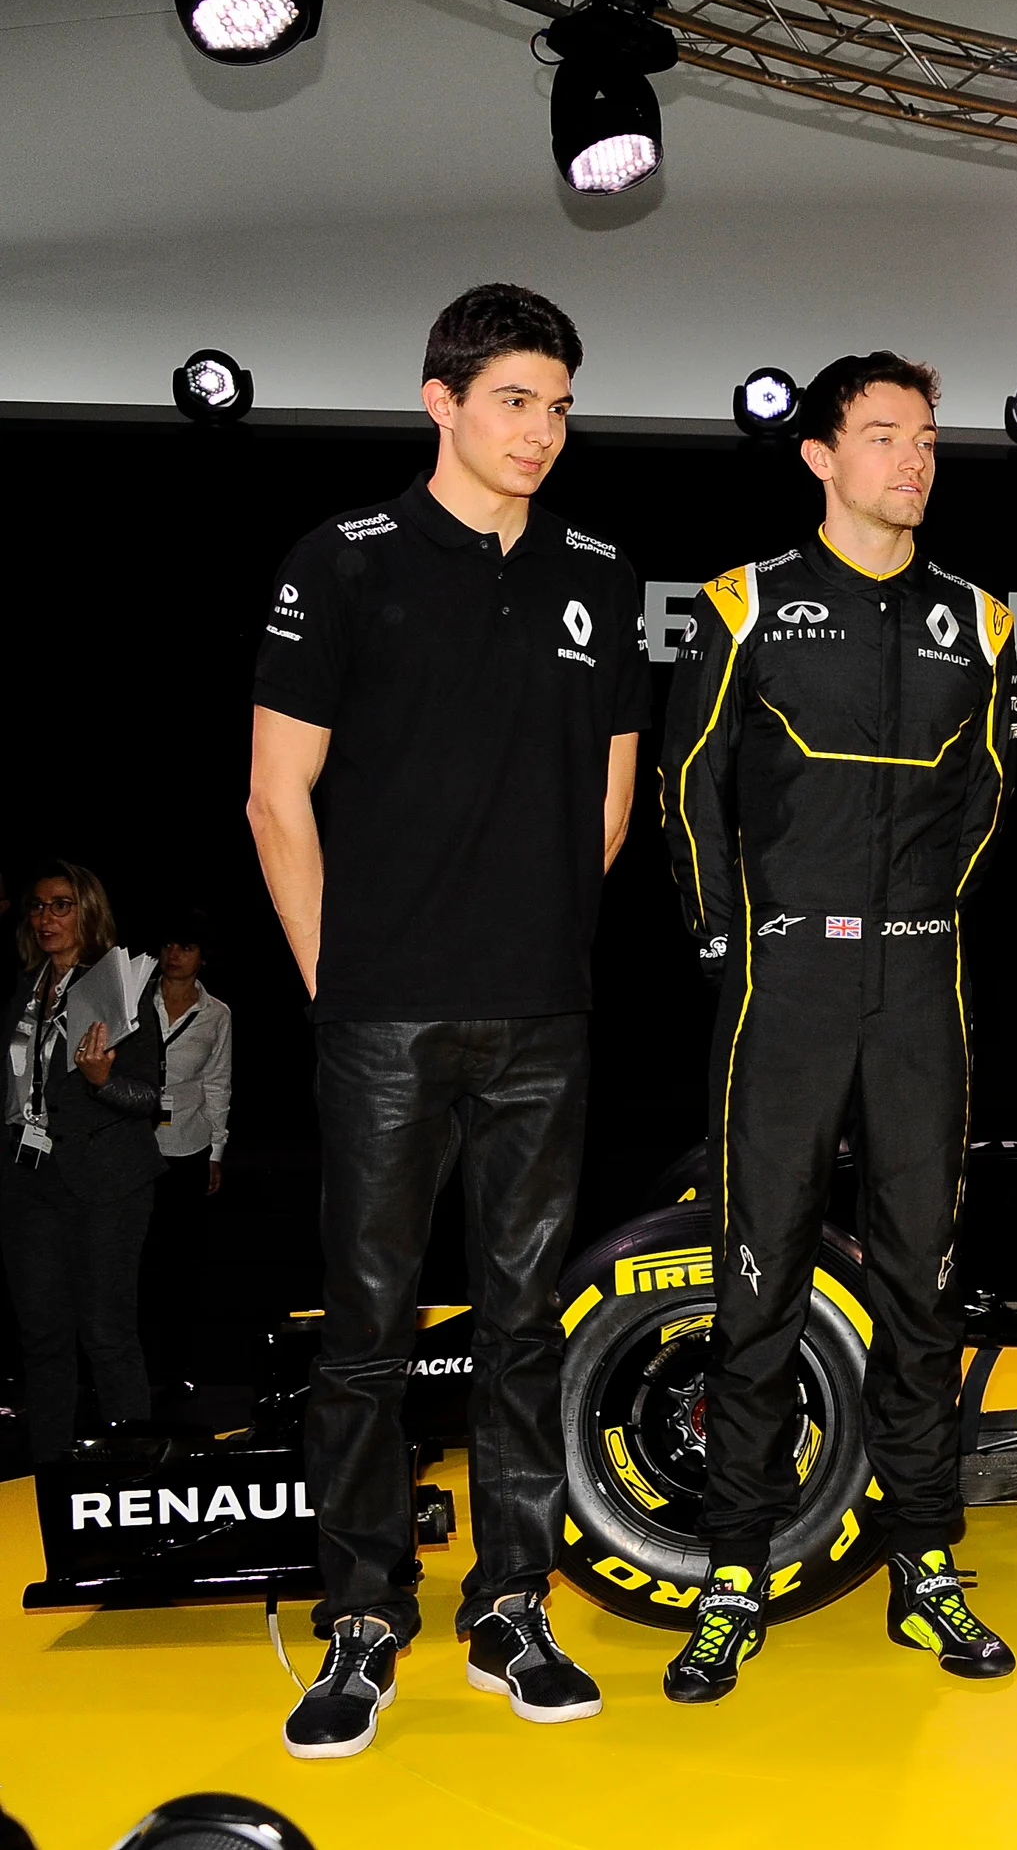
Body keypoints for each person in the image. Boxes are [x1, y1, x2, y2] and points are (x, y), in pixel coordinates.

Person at [247, 284, 643, 1757]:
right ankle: (362, 1622)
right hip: (382, 1019)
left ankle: (511, 1606)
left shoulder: (597, 572)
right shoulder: (341, 563)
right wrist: (338, 977)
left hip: (542, 1013)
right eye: (512, 401)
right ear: (441, 402)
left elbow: (610, 789)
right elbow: (273, 793)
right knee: (364, 1331)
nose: (540, 430)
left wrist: (535, 926)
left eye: (556, 404)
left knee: (524, 1325)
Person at [657, 352, 1017, 1702]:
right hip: (784, 984)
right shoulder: (745, 603)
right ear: (818, 455)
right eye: (883, 436)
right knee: (757, 1280)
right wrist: (727, 943)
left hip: (922, 986)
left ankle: (925, 1565)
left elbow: (984, 803)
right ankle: (733, 1574)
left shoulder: (978, 621)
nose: (914, 461)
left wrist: (918, 920)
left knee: (924, 1283)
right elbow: (691, 790)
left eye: (926, 438)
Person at [3, 862, 165, 1462]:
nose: (47, 917)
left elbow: (148, 1094)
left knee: (106, 1333)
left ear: (88, 912)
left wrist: (102, 1080)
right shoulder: (25, 987)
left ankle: (132, 1479)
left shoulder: (123, 985)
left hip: (106, 1180)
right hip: (28, 1180)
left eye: (62, 905)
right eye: (39, 906)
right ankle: (48, 1477)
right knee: (43, 1338)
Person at [142, 911, 234, 1400]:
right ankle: (131, 1363)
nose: (175, 955)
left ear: (203, 957)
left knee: (181, 1260)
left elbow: (218, 1082)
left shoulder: (216, 1013)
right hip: (132, 1143)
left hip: (188, 1145)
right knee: (134, 1256)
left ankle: (177, 1365)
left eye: (187, 947)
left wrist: (217, 1150)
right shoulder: (136, 998)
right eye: (170, 945)